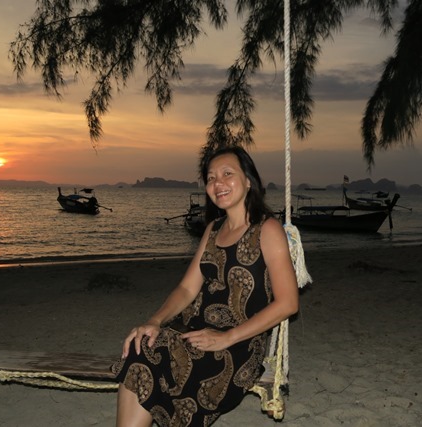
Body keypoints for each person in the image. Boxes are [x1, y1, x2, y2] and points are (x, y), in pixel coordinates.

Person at [111, 145, 299, 427]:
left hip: (238, 346)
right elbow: (186, 289)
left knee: (151, 362)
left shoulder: (267, 229)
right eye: (211, 178)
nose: (217, 183)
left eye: (227, 174)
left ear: (248, 181)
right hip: (194, 332)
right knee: (141, 347)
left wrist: (226, 337)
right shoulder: (213, 229)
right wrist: (155, 320)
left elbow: (288, 303)